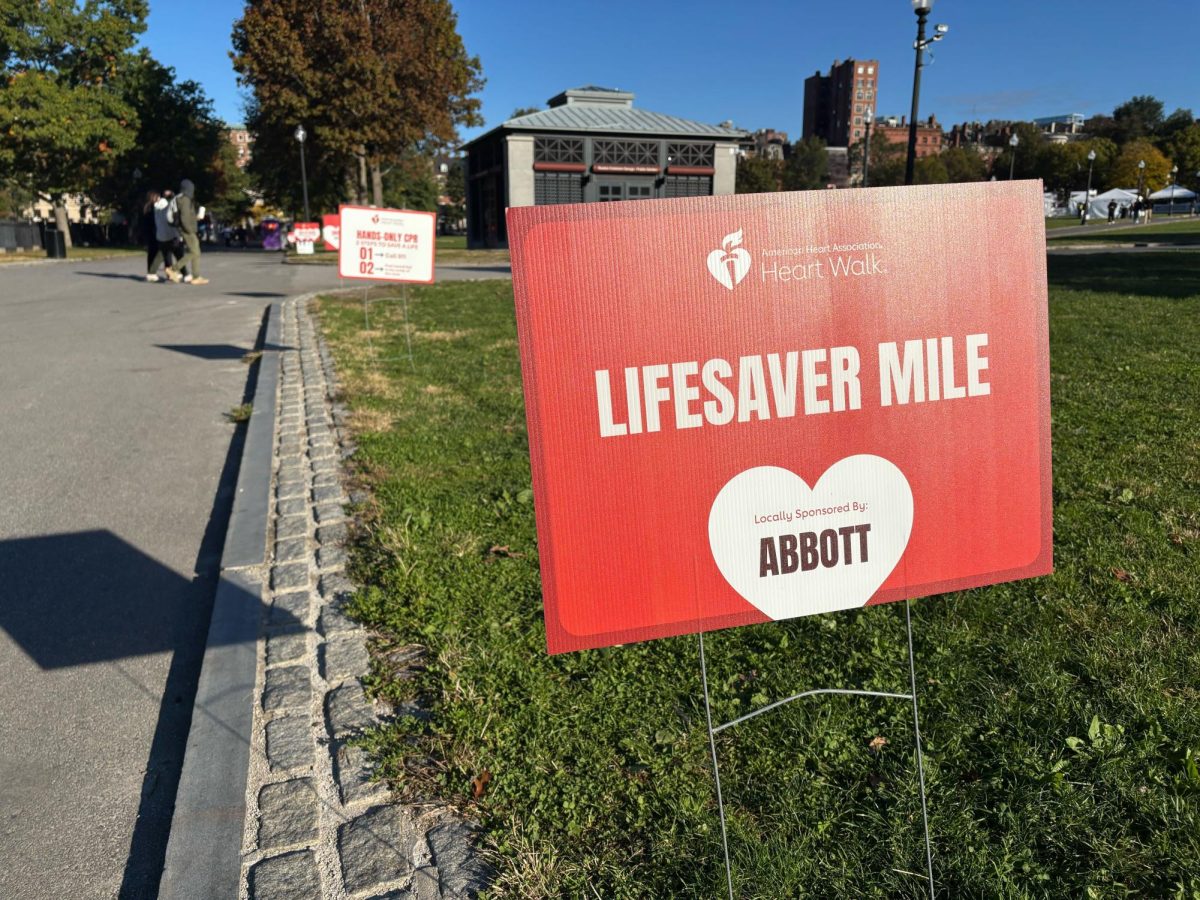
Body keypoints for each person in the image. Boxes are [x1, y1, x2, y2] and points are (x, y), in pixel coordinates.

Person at [165, 179, 209, 285]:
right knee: (194, 252)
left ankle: (196, 276)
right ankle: (174, 269)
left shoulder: (181, 198)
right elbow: (184, 217)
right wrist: (189, 229)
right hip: (187, 230)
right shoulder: (185, 199)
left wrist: (196, 217)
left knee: (196, 252)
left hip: (187, 228)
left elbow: (187, 216)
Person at [151, 190, 178, 281]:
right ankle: (153, 272)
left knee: (167, 254)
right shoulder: (167, 205)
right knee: (165, 253)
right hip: (168, 233)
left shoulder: (156, 207)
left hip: (160, 234)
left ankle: (169, 273)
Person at [140, 190, 161, 281]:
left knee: (151, 254)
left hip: (148, 233)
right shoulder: (153, 207)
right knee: (157, 253)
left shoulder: (146, 207)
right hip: (154, 232)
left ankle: (150, 272)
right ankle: (152, 272)